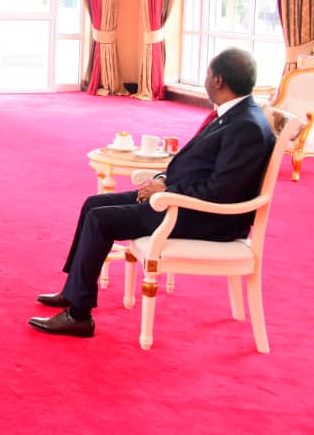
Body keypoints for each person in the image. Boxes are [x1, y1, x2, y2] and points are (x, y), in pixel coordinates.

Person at [29, 48, 275, 338]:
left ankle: (79, 315)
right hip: (180, 199)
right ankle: (74, 290)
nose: (206, 80)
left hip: (203, 216)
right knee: (93, 204)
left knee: (101, 220)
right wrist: (161, 179)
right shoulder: (234, 115)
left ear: (218, 80)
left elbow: (222, 191)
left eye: (207, 75)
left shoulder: (245, 126)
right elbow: (200, 168)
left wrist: (168, 190)